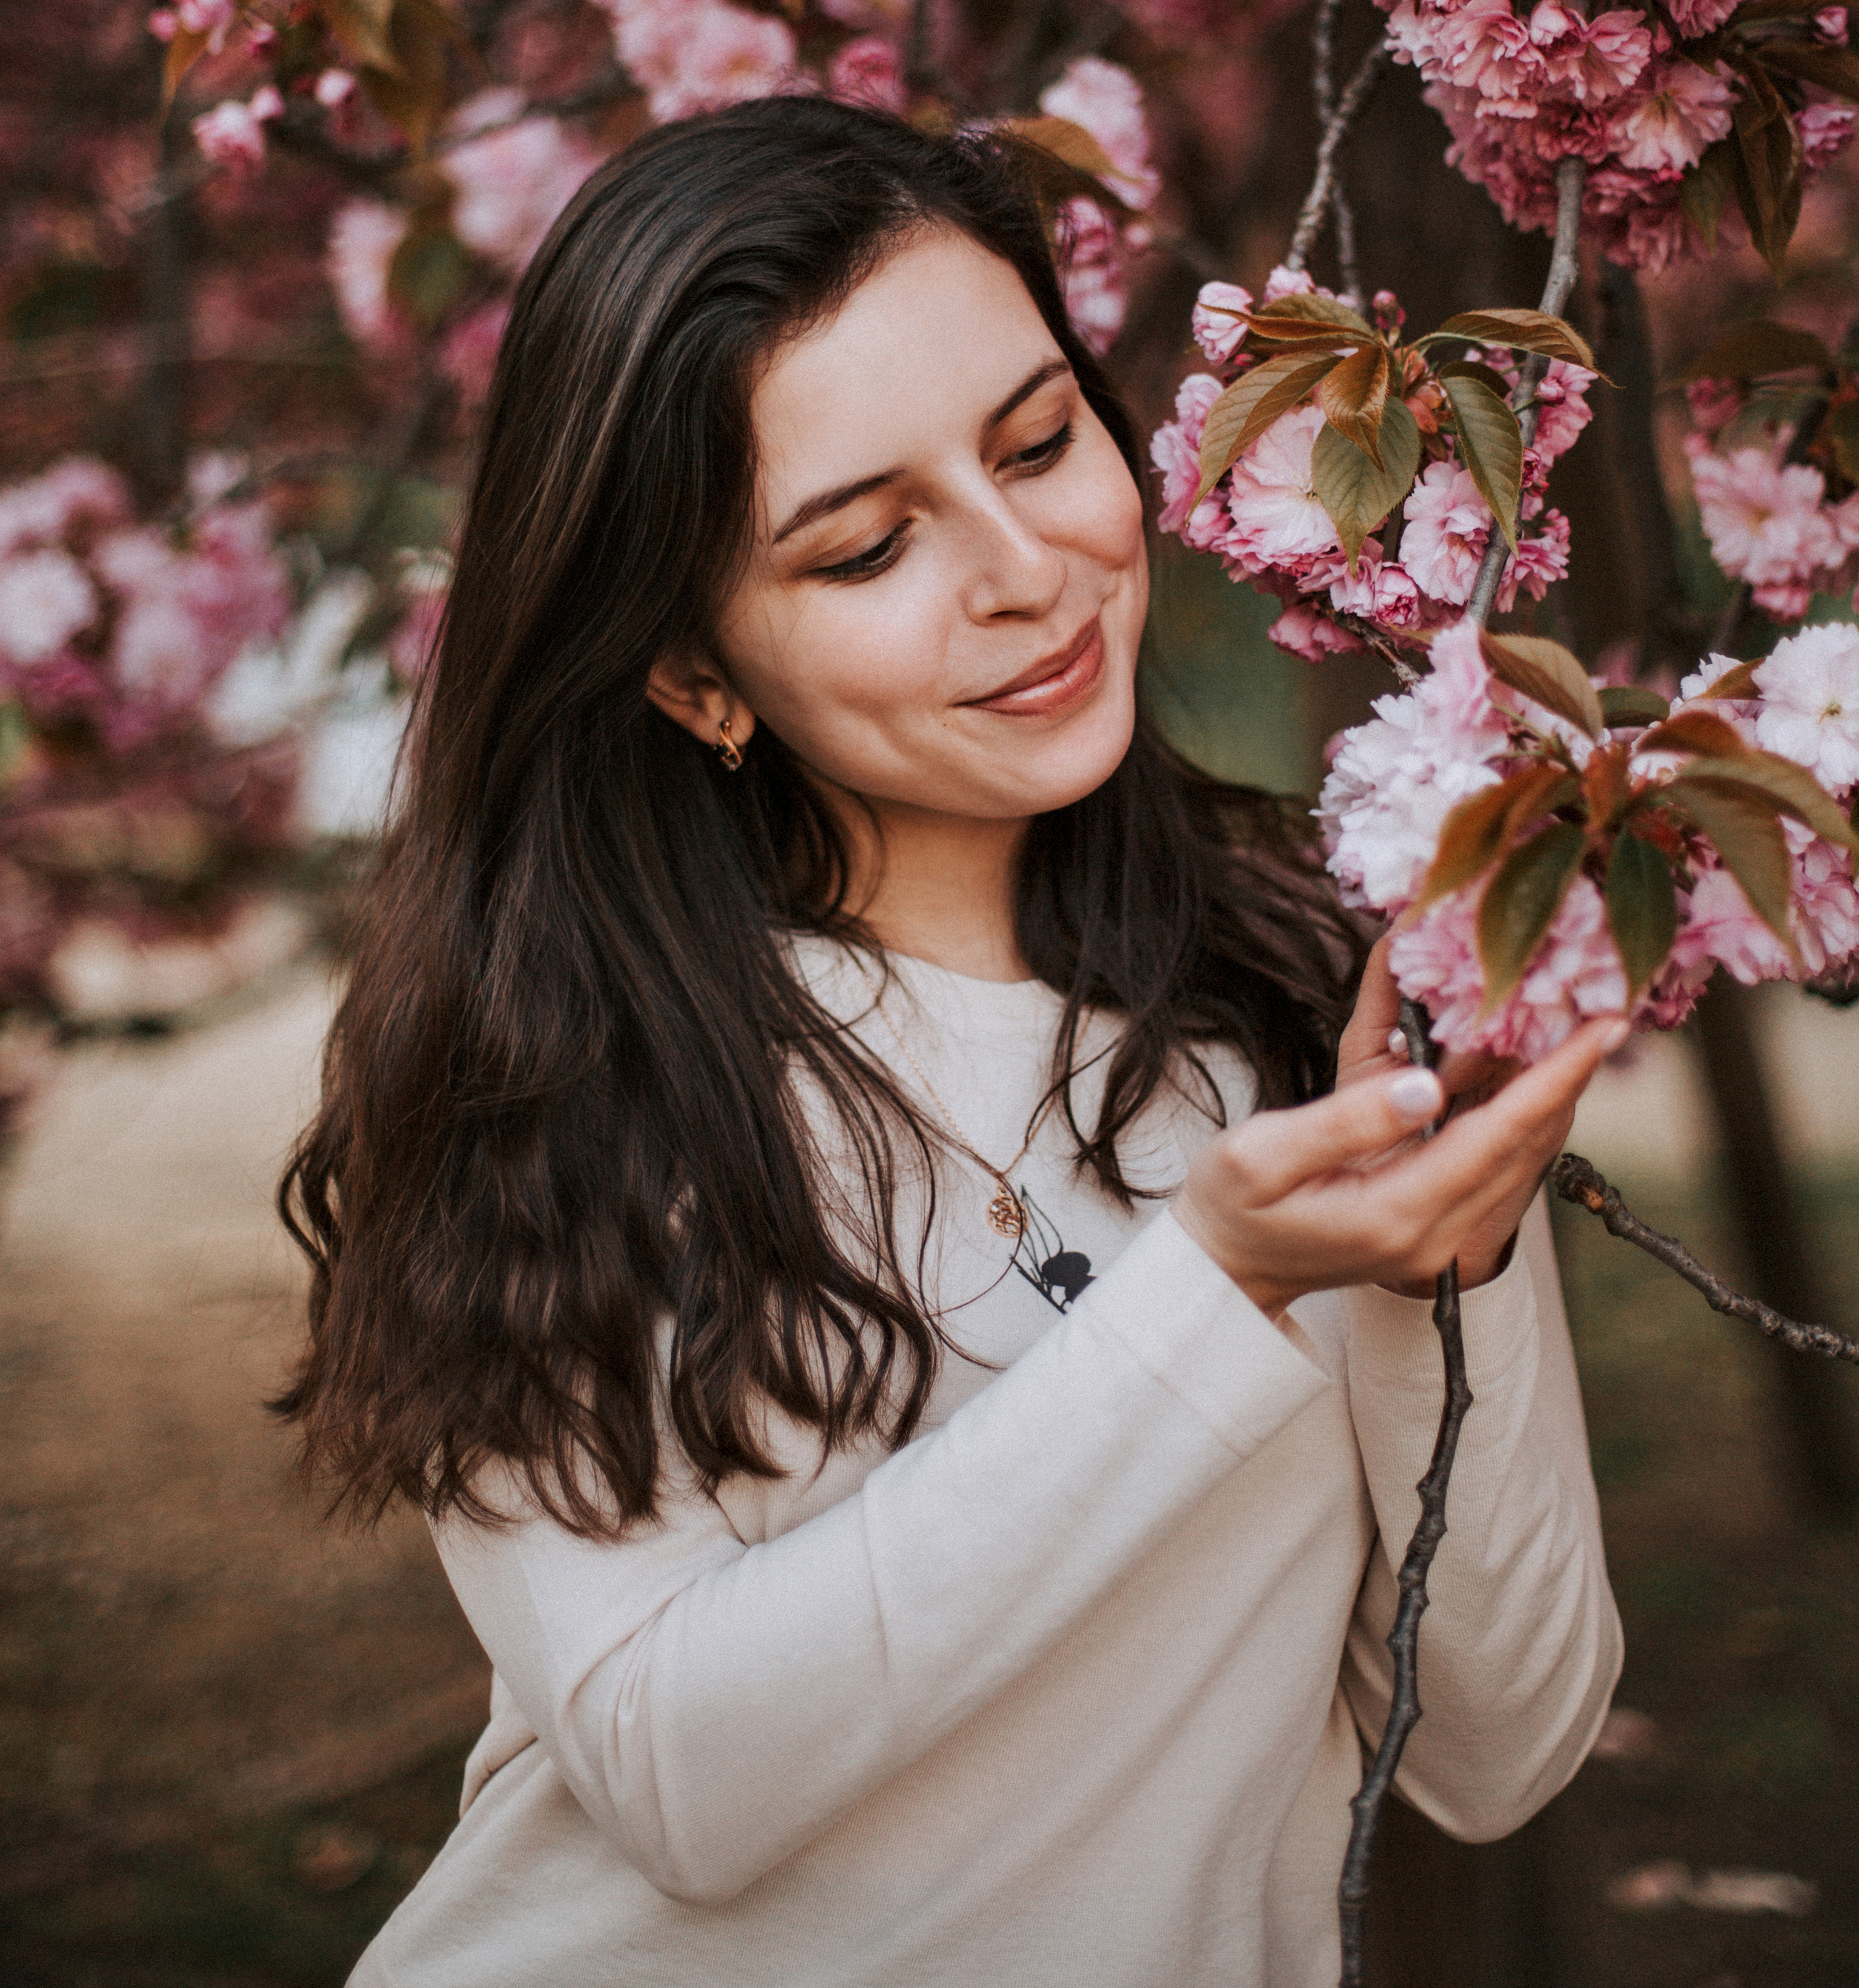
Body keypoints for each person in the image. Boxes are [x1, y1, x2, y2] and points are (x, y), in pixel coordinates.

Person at [278, 97, 1623, 1988]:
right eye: (863, 547)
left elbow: (1499, 1743)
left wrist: (1440, 1267)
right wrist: (1218, 1285)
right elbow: (681, 1775)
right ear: (690, 667)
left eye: (1039, 440)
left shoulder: (1307, 1011)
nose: (1025, 568)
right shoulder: (556, 1081)